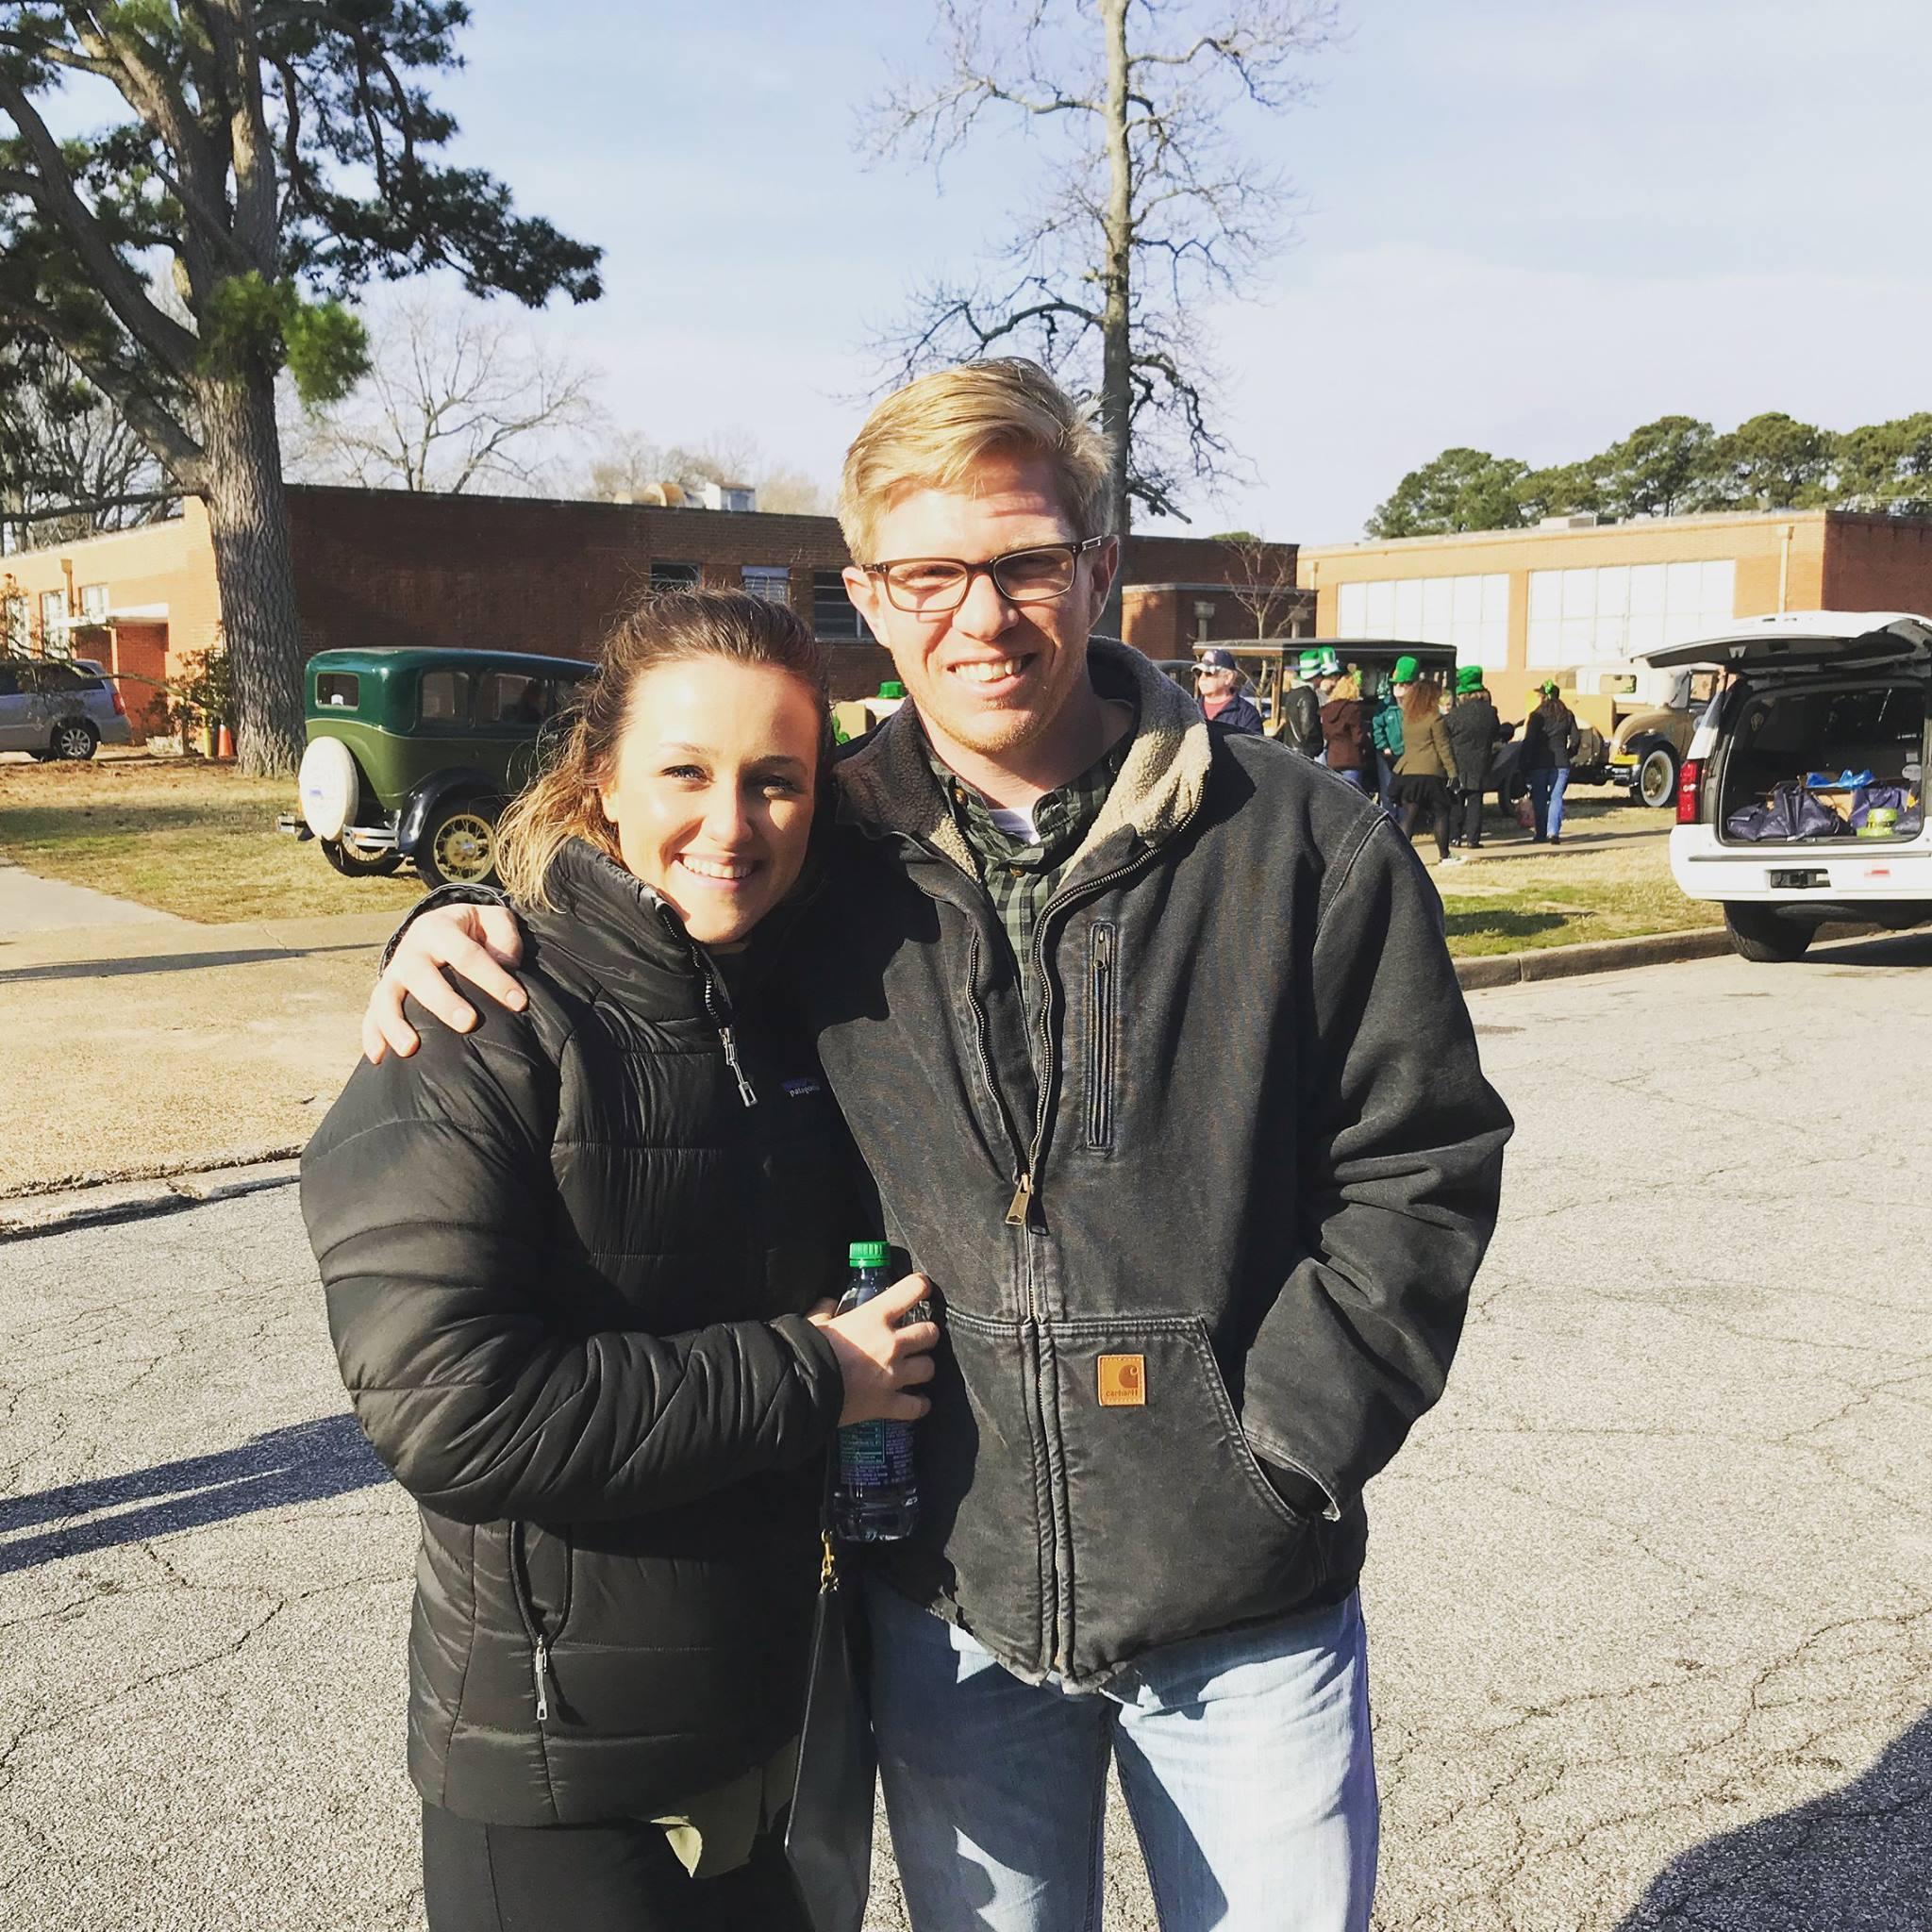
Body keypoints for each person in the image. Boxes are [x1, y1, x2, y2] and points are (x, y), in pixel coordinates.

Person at [364, 359, 1513, 1932]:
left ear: (1097, 566)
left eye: (1025, 559)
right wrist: (447, 922)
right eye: (929, 573)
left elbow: (1419, 1159)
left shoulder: (1304, 840)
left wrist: (1283, 1446)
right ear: (870, 596)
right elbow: (635, 936)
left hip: (1244, 1592)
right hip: (954, 1592)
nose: (981, 614)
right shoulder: (816, 847)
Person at [302, 592, 941, 1931]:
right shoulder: (479, 1016)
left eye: (778, 782)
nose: (734, 821)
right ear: (599, 781)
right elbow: (452, 1409)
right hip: (563, 1781)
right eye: (686, 774)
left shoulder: (792, 1005)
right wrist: (815, 1373)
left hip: (761, 1736)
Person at [1391, 671, 1461, 864]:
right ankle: (1444, 855)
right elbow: (1444, 748)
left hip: (1408, 771)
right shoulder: (1435, 719)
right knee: (1441, 812)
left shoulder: (1408, 719)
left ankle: (1400, 856)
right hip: (1431, 772)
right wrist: (1453, 773)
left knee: (1410, 816)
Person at [1441, 666, 1506, 850]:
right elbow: (1496, 733)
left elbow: (1445, 735)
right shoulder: (1490, 713)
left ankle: (1455, 837)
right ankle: (1473, 839)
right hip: (1481, 761)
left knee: (1457, 801)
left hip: (1457, 761)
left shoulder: (1454, 714)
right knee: (1476, 801)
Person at [1520, 676, 1581, 844]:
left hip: (1539, 763)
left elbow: (1529, 741)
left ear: (1544, 697)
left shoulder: (1536, 716)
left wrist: (1525, 761)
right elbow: (1576, 739)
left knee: (1539, 798)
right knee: (1556, 798)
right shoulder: (1567, 715)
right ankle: (1553, 832)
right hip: (1561, 762)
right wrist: (1569, 753)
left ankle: (1540, 834)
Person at [1318, 667, 1371, 790]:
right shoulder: (1352, 709)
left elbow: (1326, 734)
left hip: (1332, 759)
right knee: (1353, 800)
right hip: (1351, 759)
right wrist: (1368, 744)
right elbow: (1358, 737)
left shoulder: (1327, 709)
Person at [1192, 645, 1263, 734]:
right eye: (1198, 673)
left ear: (1228, 677)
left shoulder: (1247, 715)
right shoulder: (1190, 709)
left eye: (1208, 673)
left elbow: (1255, 746)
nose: (1202, 678)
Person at [1368, 662, 1407, 805]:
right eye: (1395, 684)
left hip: (1407, 755)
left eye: (1402, 684)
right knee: (1388, 788)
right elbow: (1377, 727)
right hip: (1387, 755)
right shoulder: (1384, 705)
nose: (1398, 687)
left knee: (1405, 791)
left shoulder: (1412, 706)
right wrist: (1384, 747)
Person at [1279, 646, 1326, 758]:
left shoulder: (1293, 693)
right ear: (1316, 677)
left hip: (1291, 750)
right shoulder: (1308, 696)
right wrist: (1317, 746)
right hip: (1303, 753)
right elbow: (1308, 727)